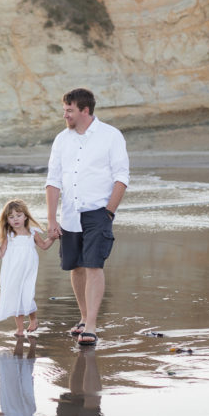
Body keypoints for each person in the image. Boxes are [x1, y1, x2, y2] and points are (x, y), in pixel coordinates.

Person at [45, 89, 129, 345]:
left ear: (85, 110)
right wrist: (52, 219)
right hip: (70, 213)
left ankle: (91, 324)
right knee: (76, 267)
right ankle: (83, 317)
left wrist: (109, 212)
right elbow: (53, 180)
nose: (65, 115)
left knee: (93, 265)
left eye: (69, 110)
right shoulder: (61, 139)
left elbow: (121, 176)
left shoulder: (111, 136)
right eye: (64, 110)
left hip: (98, 212)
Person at [0, 199, 54, 335]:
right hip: (12, 272)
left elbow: (44, 246)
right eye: (11, 217)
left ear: (25, 216)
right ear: (7, 220)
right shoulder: (8, 235)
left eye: (18, 215)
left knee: (27, 294)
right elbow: (0, 255)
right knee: (15, 297)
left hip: (28, 270)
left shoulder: (32, 232)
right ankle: (19, 328)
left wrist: (52, 238)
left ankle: (33, 320)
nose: (15, 219)